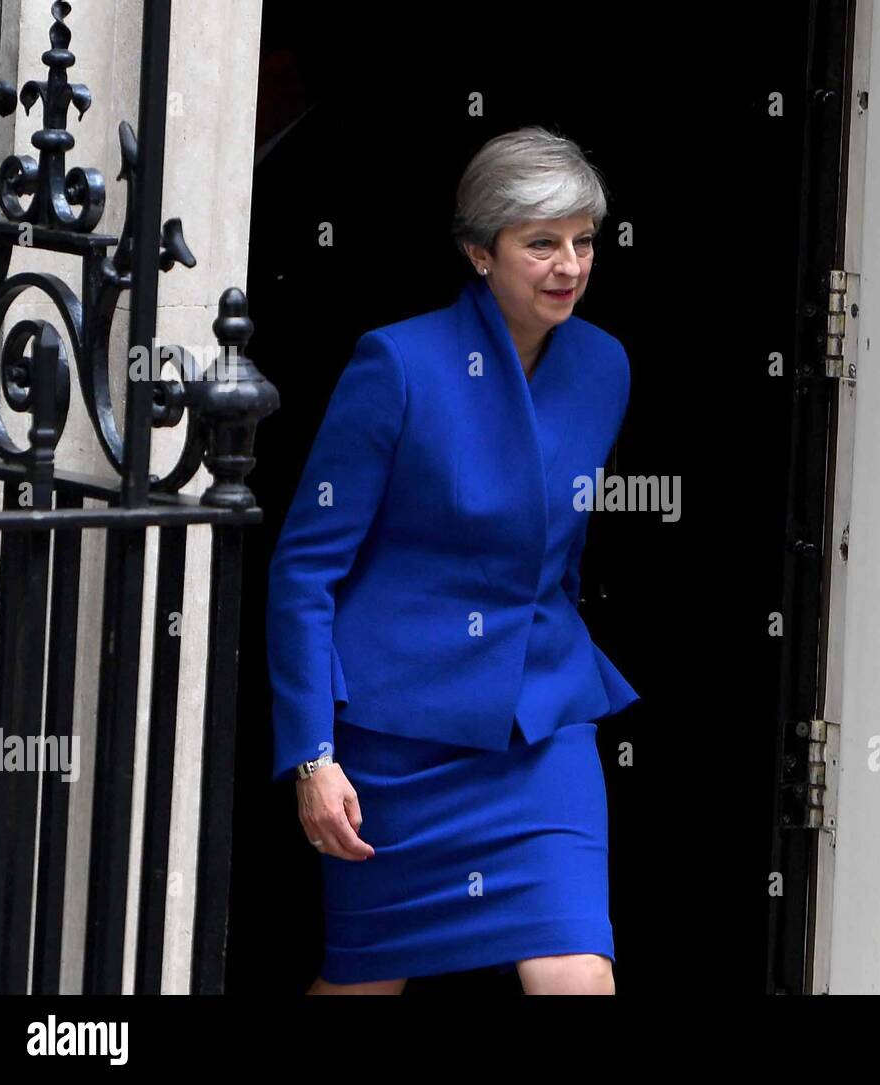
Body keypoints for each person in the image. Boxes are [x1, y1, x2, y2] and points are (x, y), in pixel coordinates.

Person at [265, 126, 640, 995]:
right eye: (541, 243)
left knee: (577, 969)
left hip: (539, 729)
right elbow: (305, 568)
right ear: (480, 252)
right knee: (366, 980)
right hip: (396, 739)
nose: (570, 265)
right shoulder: (398, 363)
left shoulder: (603, 365)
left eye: (584, 241)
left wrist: (554, 665)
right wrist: (315, 755)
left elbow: (563, 549)